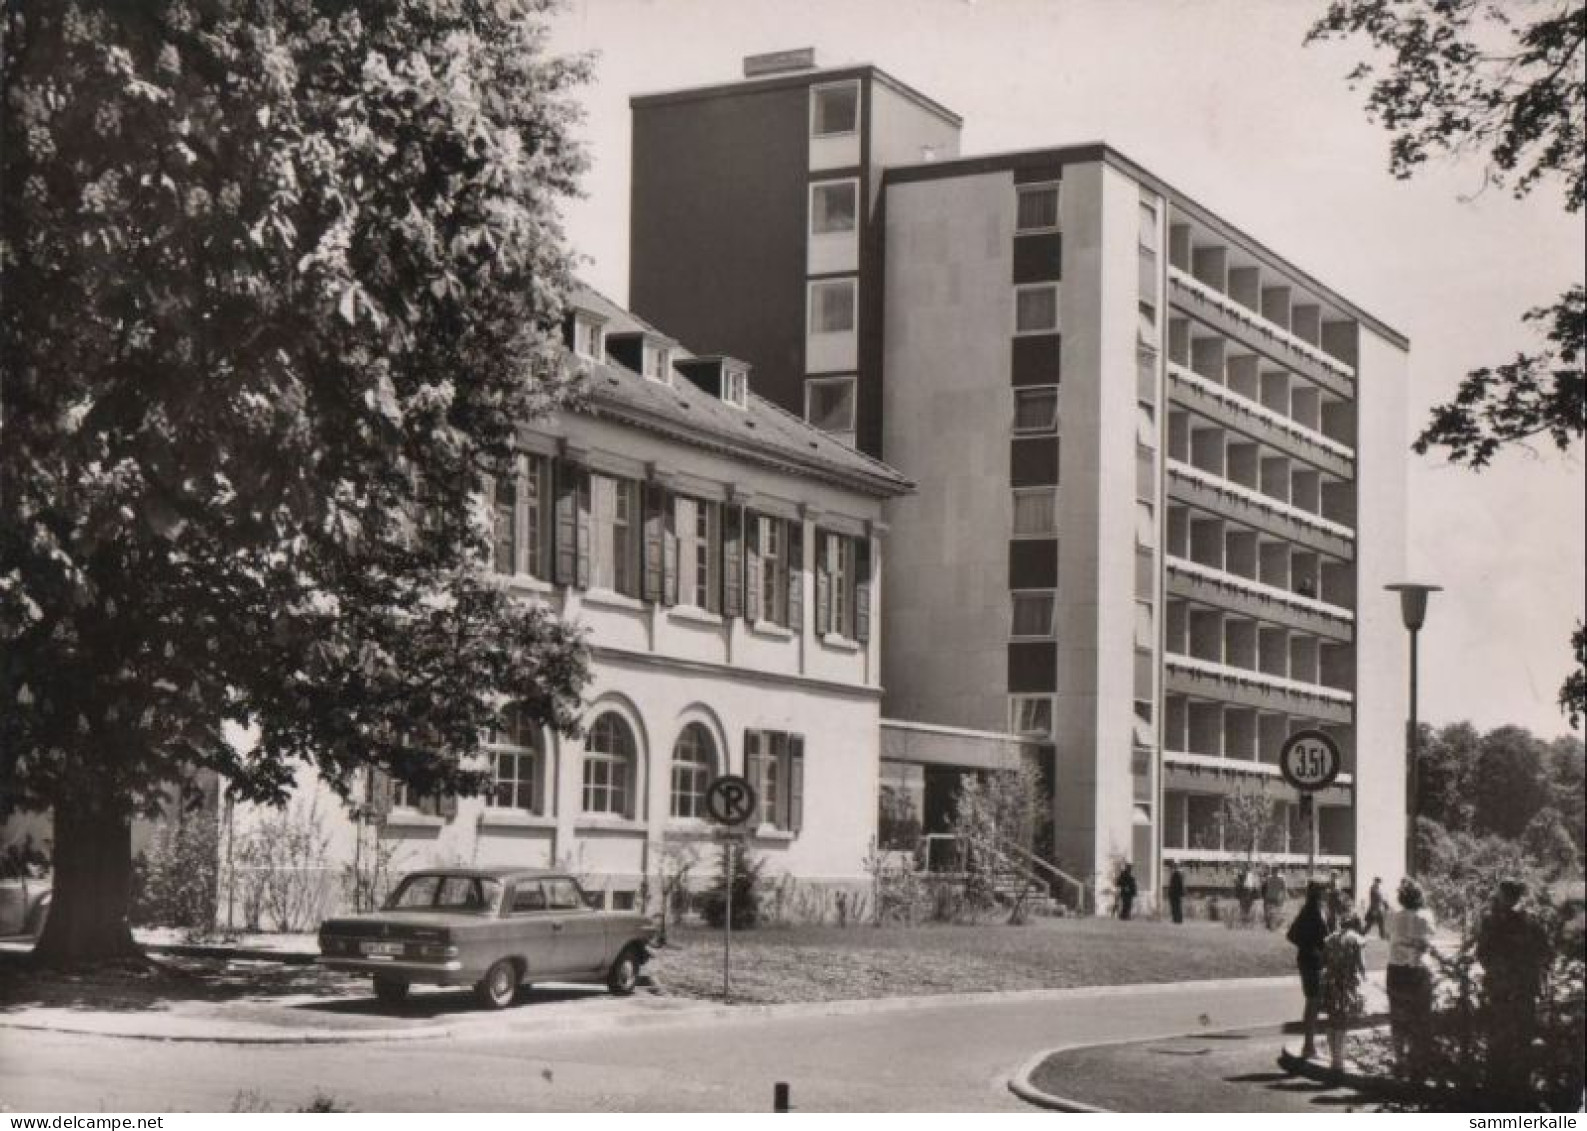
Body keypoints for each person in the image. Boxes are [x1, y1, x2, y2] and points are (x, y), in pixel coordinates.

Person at [1473, 878, 1551, 1100]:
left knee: (1498, 1039)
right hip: (1524, 989)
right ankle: (1520, 1089)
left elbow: (1482, 952)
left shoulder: (1492, 921)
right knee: (1522, 1038)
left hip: (1500, 988)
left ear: (1503, 895)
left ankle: (1495, 1089)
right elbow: (1545, 953)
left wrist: (1496, 970)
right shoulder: (1532, 921)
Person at [1385, 878, 1437, 1077]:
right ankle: (1417, 1061)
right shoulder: (1426, 916)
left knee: (1398, 1016)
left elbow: (1388, 933)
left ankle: (1399, 1059)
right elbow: (1428, 938)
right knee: (1420, 1016)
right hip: (1418, 970)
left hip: (1397, 970)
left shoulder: (1393, 916)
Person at [1286, 881, 1330, 1060]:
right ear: (1319, 893)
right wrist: (1313, 947)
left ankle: (1308, 1044)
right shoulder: (1315, 911)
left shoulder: (1307, 910)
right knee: (1313, 1002)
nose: (1328, 893)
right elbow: (1323, 938)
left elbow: (1292, 935)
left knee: (1312, 1001)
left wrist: (1306, 945)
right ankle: (1309, 1047)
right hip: (1312, 961)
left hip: (1306, 959)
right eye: (1325, 890)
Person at [1321, 913, 1369, 1072]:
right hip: (1346, 983)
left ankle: (1333, 1058)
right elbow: (1361, 964)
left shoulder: (1330, 939)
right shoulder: (1356, 939)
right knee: (1342, 1019)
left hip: (1330, 982)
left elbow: (1323, 961)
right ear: (1356, 925)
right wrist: (1364, 978)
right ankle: (1339, 1061)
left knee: (1331, 1018)